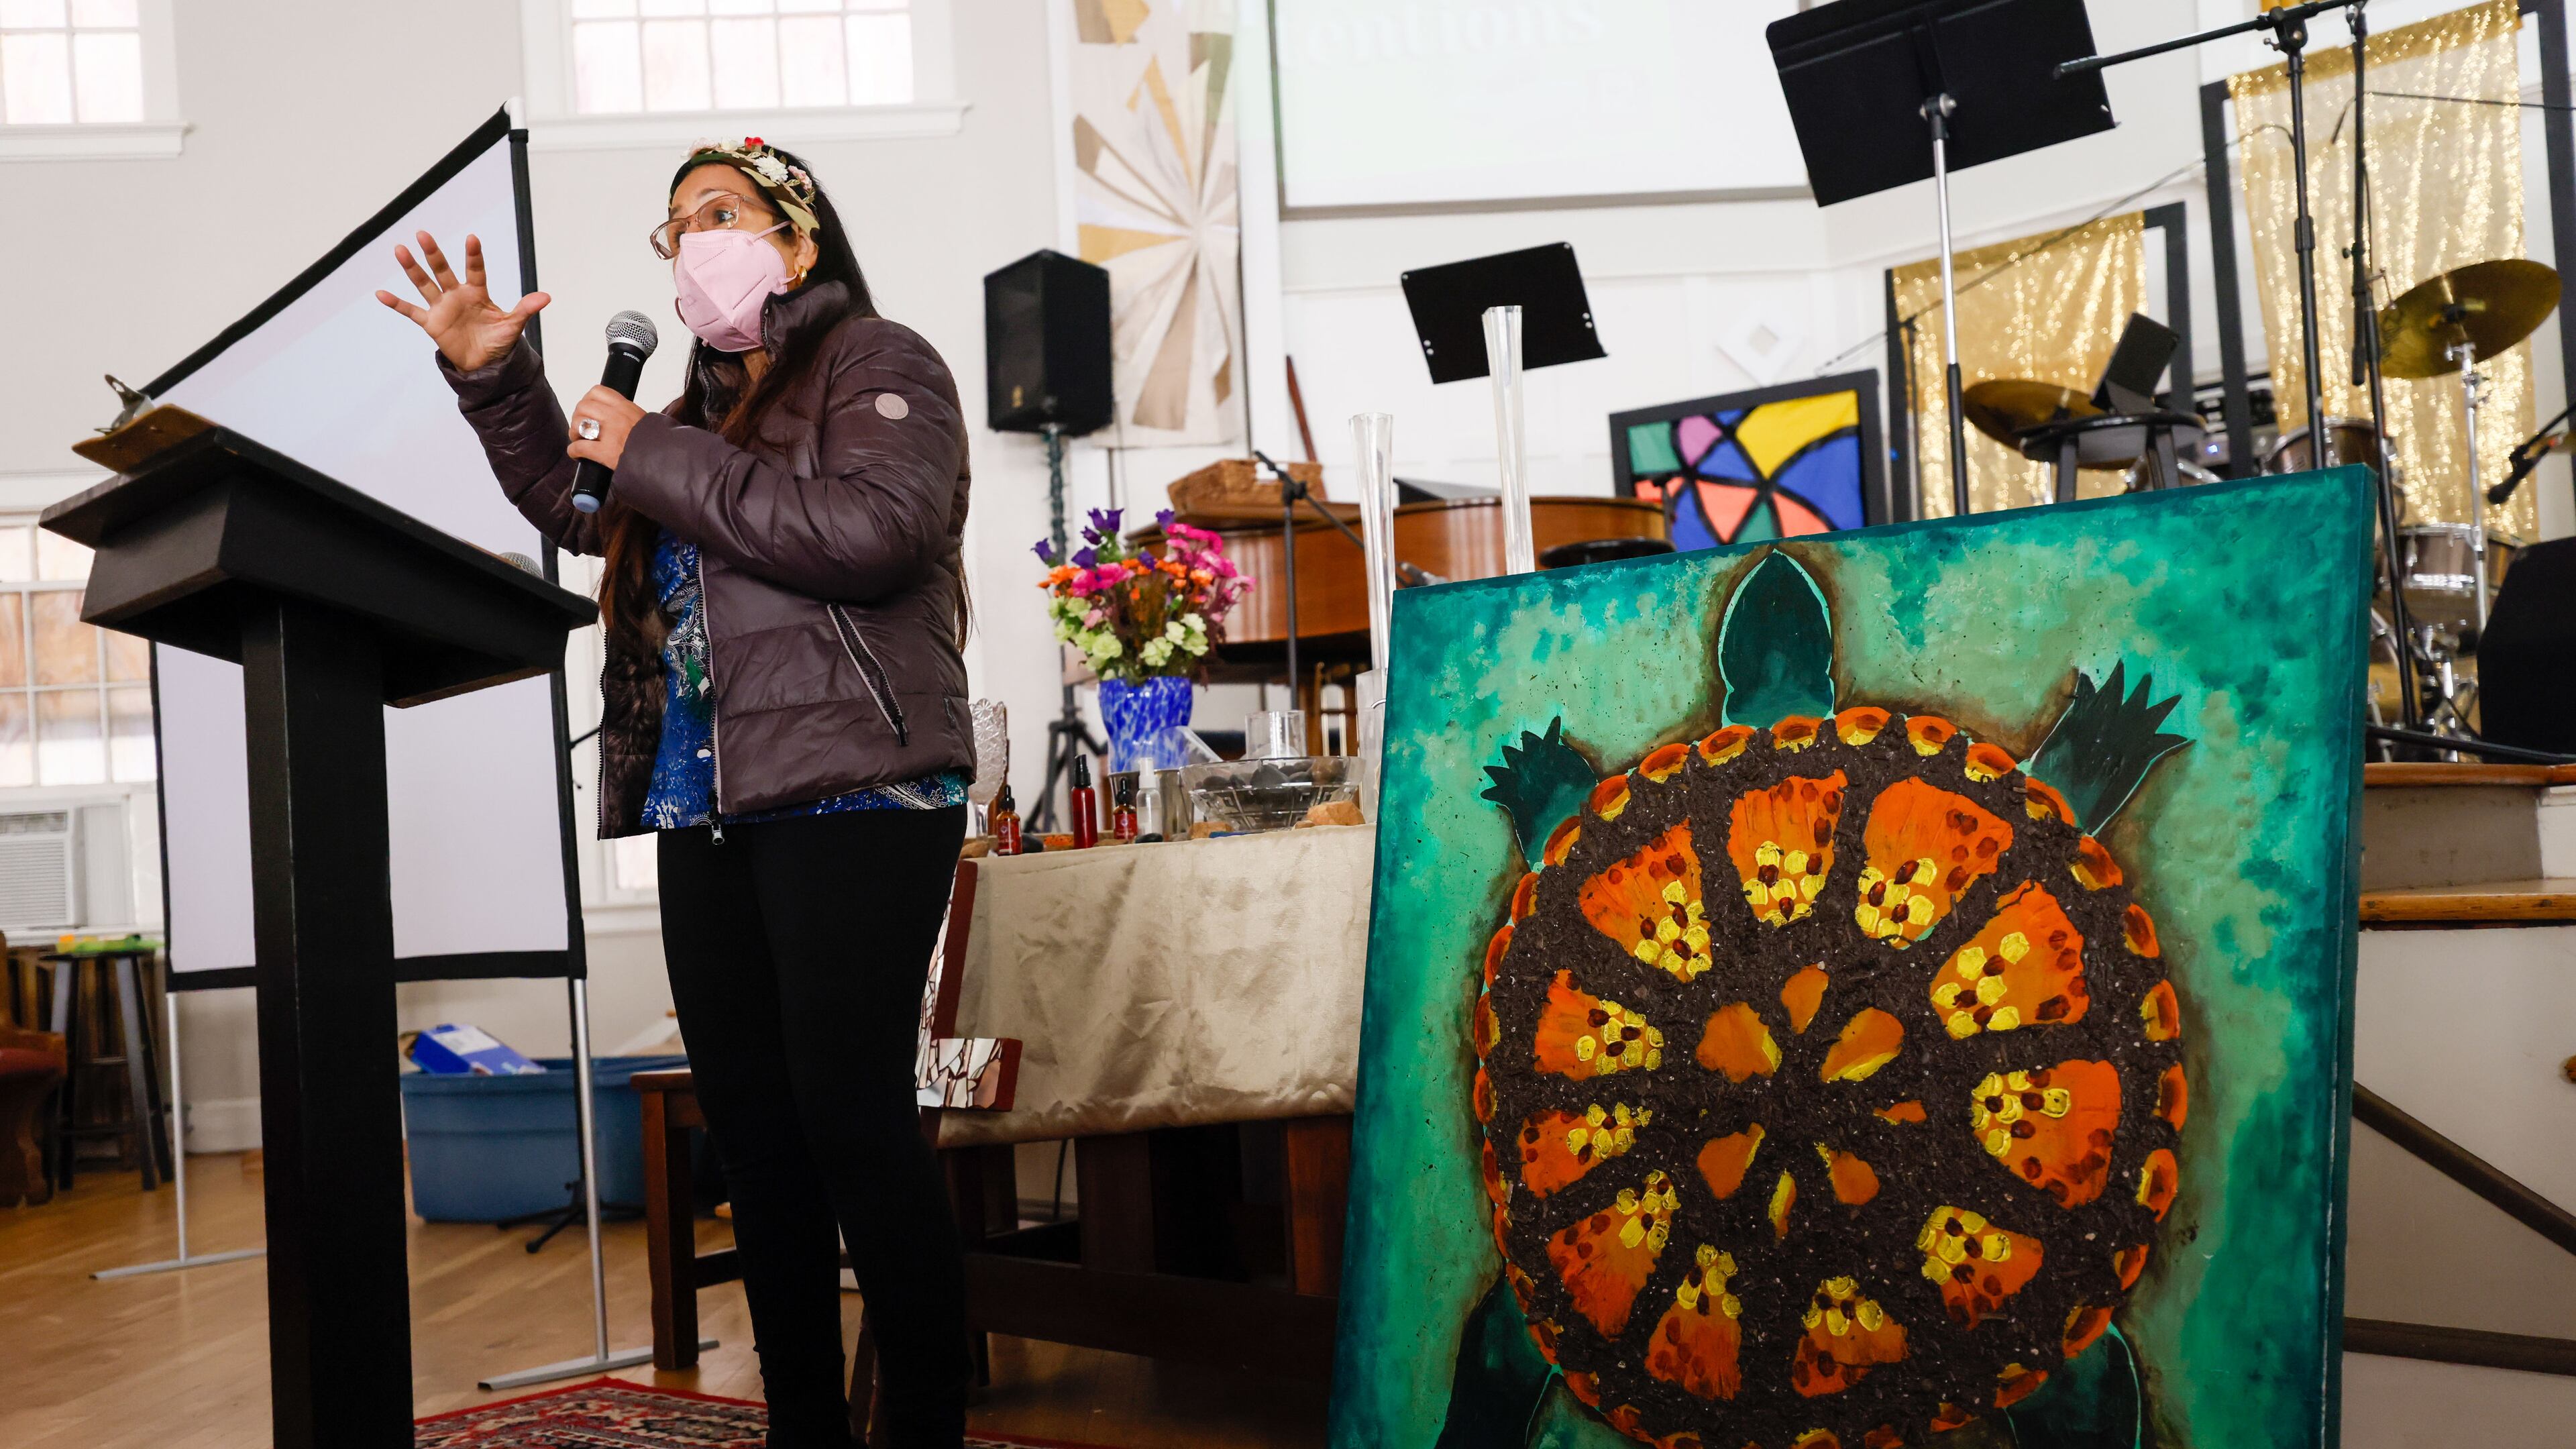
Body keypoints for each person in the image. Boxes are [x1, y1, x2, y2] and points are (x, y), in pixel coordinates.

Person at [376, 138, 973, 1449]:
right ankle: (805, 1426)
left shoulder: (880, 363)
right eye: (675, 224)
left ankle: (925, 1419)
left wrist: (653, 444)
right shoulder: (690, 425)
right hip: (705, 800)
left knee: (851, 1120)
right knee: (754, 1139)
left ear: (797, 239)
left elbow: (871, 535)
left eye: (723, 213)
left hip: (860, 789)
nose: (694, 238)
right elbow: (580, 500)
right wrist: (496, 379)